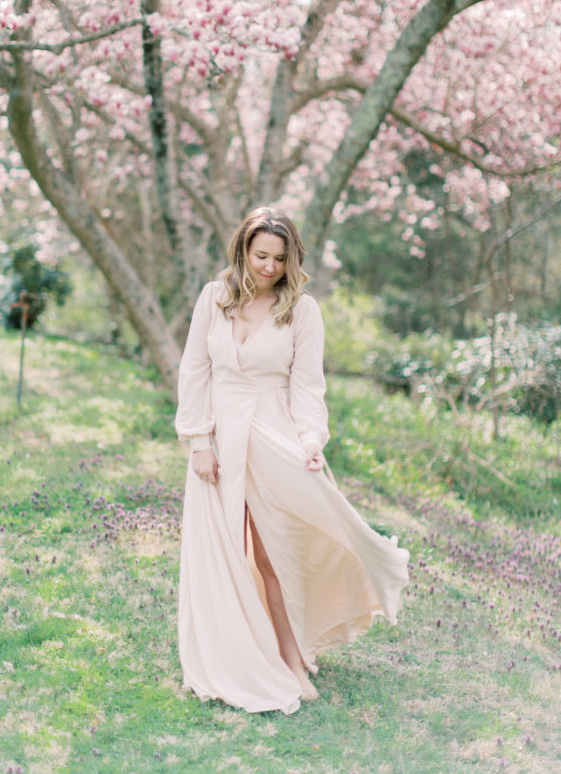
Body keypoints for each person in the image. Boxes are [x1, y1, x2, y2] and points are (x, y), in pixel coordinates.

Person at [175, 206, 410, 714]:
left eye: (280, 259)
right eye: (261, 255)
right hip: (217, 440)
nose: (269, 267)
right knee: (220, 554)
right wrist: (198, 440)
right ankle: (237, 651)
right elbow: (194, 369)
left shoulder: (301, 310)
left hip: (271, 435)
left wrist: (310, 439)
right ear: (242, 250)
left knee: (271, 553)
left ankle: (291, 655)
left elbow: (308, 386)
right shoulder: (214, 299)